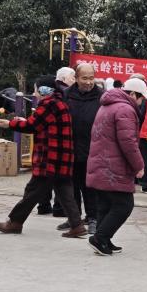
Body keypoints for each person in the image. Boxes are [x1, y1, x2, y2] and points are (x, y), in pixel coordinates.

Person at [0, 76, 85, 238]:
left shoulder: (49, 104)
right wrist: (25, 121)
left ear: (44, 90)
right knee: (65, 192)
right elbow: (41, 124)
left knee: (32, 191)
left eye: (36, 90)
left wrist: (10, 124)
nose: (35, 93)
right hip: (62, 158)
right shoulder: (60, 103)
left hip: (49, 158)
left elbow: (32, 125)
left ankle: (15, 222)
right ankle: (77, 225)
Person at [86, 78, 147, 256]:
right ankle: (100, 238)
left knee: (105, 204)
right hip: (113, 166)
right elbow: (128, 143)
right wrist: (139, 165)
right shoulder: (125, 109)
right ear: (133, 94)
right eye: (141, 98)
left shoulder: (107, 105)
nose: (142, 103)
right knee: (124, 205)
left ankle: (104, 240)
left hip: (101, 162)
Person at [65, 63, 103, 232]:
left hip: (93, 150)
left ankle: (93, 218)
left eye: (91, 78)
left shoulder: (101, 96)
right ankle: (74, 219)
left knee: (91, 187)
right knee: (71, 186)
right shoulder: (67, 95)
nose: (88, 82)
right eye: (84, 78)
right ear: (76, 78)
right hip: (71, 148)